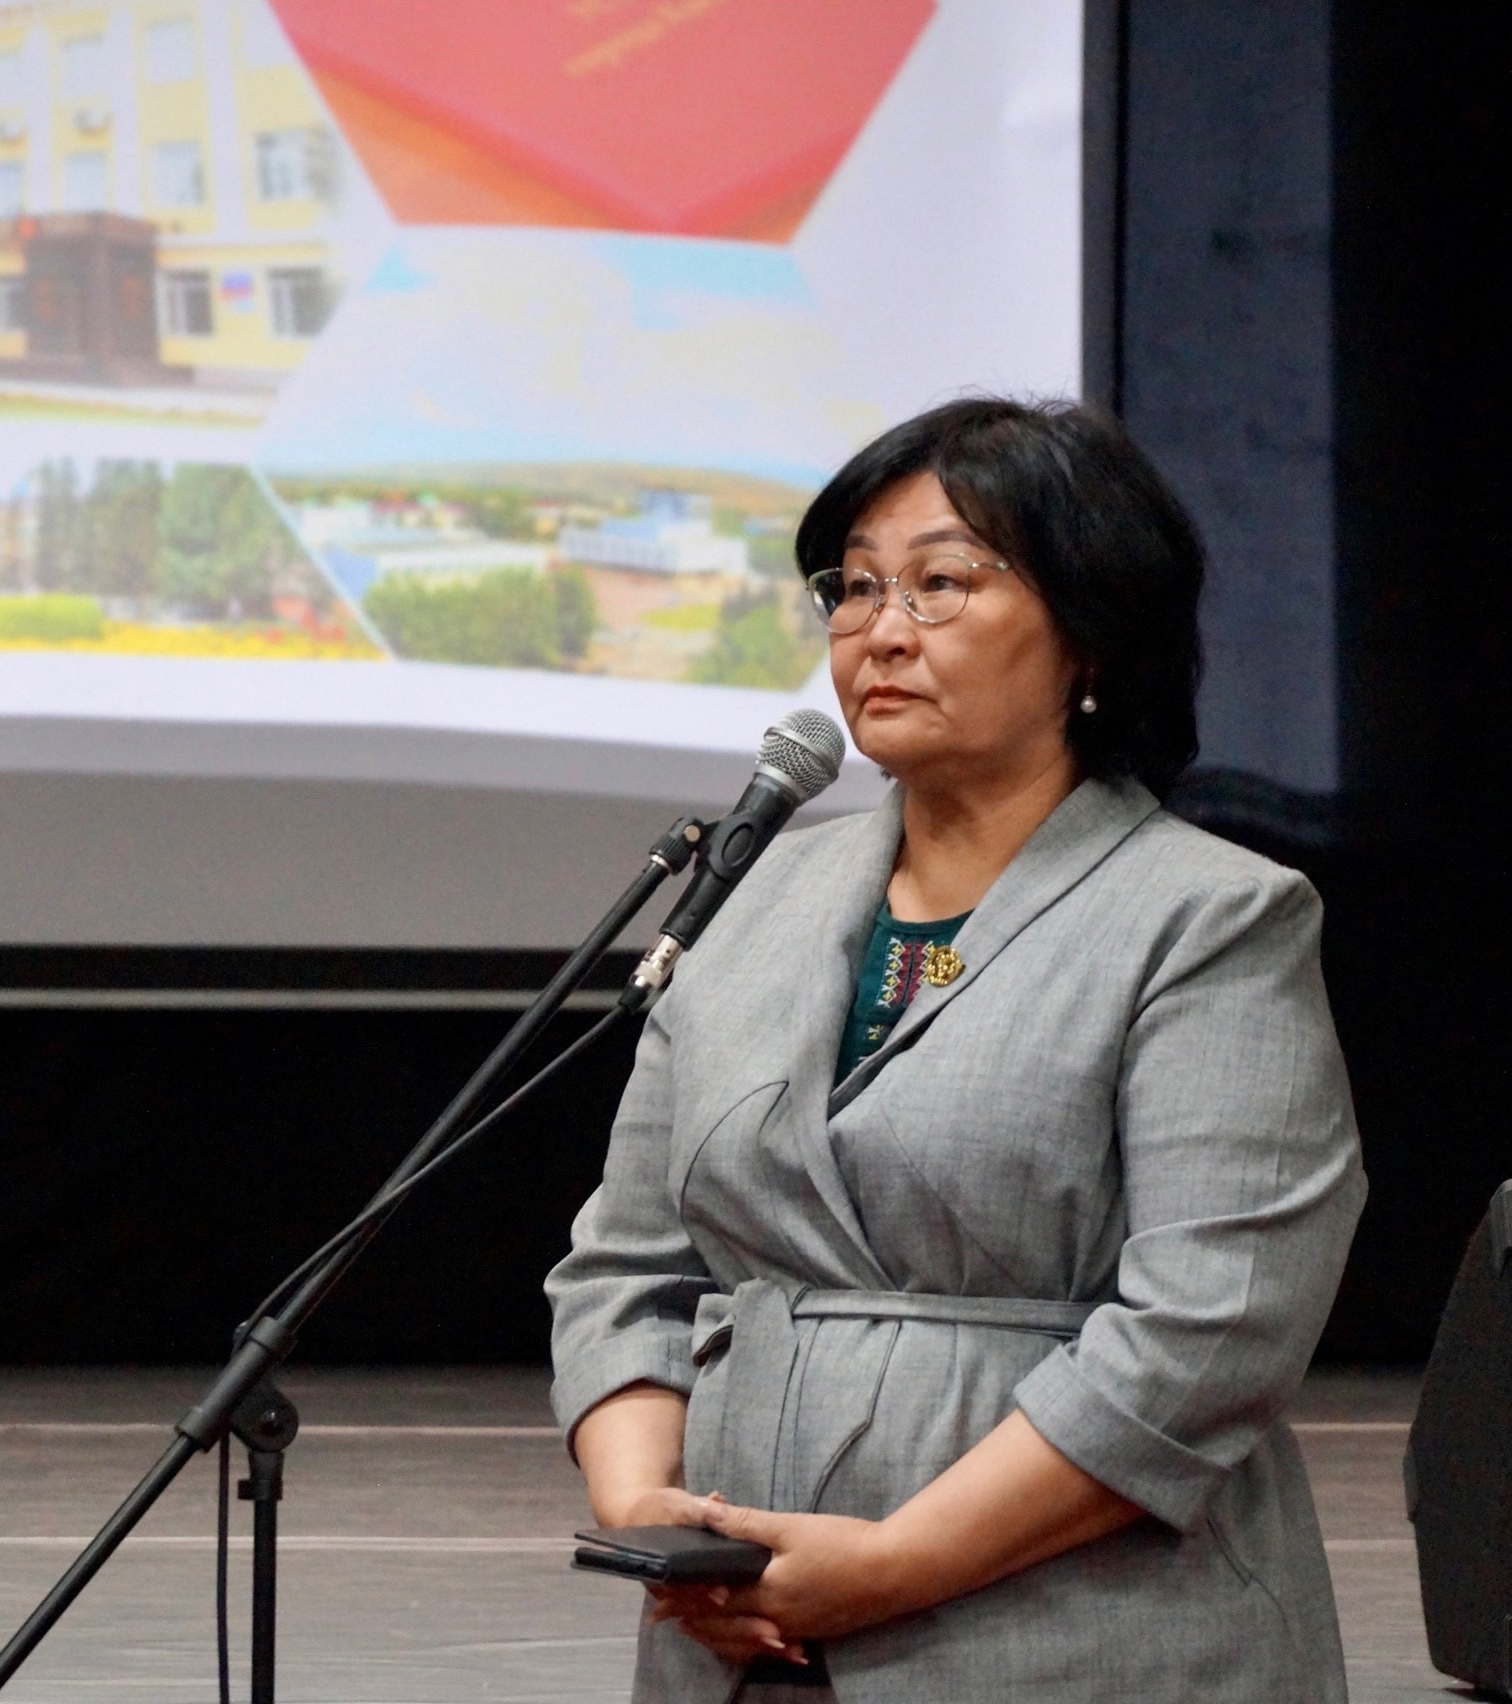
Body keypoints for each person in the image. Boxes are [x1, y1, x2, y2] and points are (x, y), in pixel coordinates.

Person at [546, 397, 1367, 1702]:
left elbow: (1214, 1324)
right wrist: (651, 1516)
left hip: (1087, 1646)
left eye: (940, 584)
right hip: (734, 1648)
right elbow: (628, 1266)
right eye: (855, 587)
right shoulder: (751, 900)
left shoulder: (1209, 917)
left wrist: (895, 1565)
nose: (881, 629)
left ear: (1090, 634)